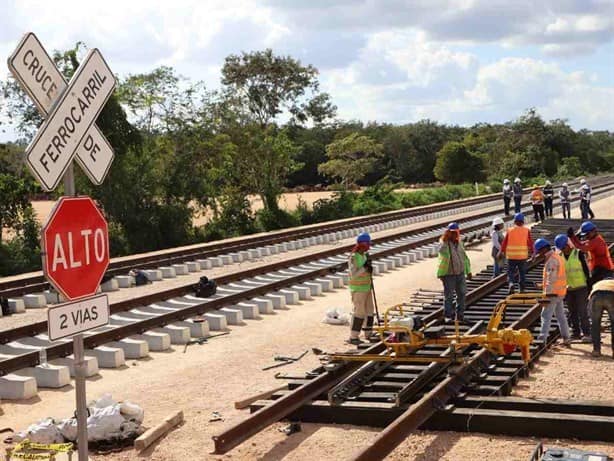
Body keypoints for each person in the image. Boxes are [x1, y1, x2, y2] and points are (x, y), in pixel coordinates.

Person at [534, 238, 571, 346]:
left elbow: (552, 279)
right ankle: (566, 337)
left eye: (539, 251)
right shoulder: (557, 257)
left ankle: (542, 339)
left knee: (545, 315)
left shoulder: (552, 260)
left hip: (553, 294)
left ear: (544, 249)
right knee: (560, 316)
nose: (539, 254)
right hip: (559, 292)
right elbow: (556, 277)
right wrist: (542, 285)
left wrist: (546, 296)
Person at [554, 234, 591, 342]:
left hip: (581, 287)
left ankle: (587, 334)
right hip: (568, 289)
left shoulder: (578, 253)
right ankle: (576, 333)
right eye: (561, 248)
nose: (564, 250)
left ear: (568, 245)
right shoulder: (560, 257)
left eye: (564, 247)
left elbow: (586, 270)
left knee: (582, 311)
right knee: (572, 311)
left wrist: (589, 286)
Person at [437, 222, 472, 323]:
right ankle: (448, 315)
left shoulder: (459, 243)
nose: (454, 235)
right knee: (449, 296)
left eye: (456, 233)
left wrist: (468, 271)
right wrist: (445, 238)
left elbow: (464, 258)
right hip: (448, 274)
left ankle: (460, 316)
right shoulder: (444, 243)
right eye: (452, 233)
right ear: (448, 233)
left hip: (460, 273)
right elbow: (440, 250)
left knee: (462, 294)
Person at [347, 232, 375, 345]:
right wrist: (365, 268)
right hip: (358, 289)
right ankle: (353, 336)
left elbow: (366, 271)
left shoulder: (364, 255)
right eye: (368, 244)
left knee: (369, 311)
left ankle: (368, 333)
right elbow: (354, 274)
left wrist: (369, 269)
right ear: (362, 244)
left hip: (367, 287)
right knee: (359, 312)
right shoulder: (354, 257)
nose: (369, 246)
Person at [499, 213, 533, 294]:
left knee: (510, 272)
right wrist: (533, 252)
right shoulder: (526, 230)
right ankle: (521, 289)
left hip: (511, 256)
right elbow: (530, 243)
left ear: (515, 221)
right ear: (523, 222)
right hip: (522, 256)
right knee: (522, 272)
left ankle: (511, 283)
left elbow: (504, 242)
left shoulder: (510, 230)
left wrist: (501, 251)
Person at [588, 278, 614, 358]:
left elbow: (589, 299)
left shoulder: (598, 283)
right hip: (611, 295)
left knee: (595, 324)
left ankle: (596, 350)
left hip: (596, 295)